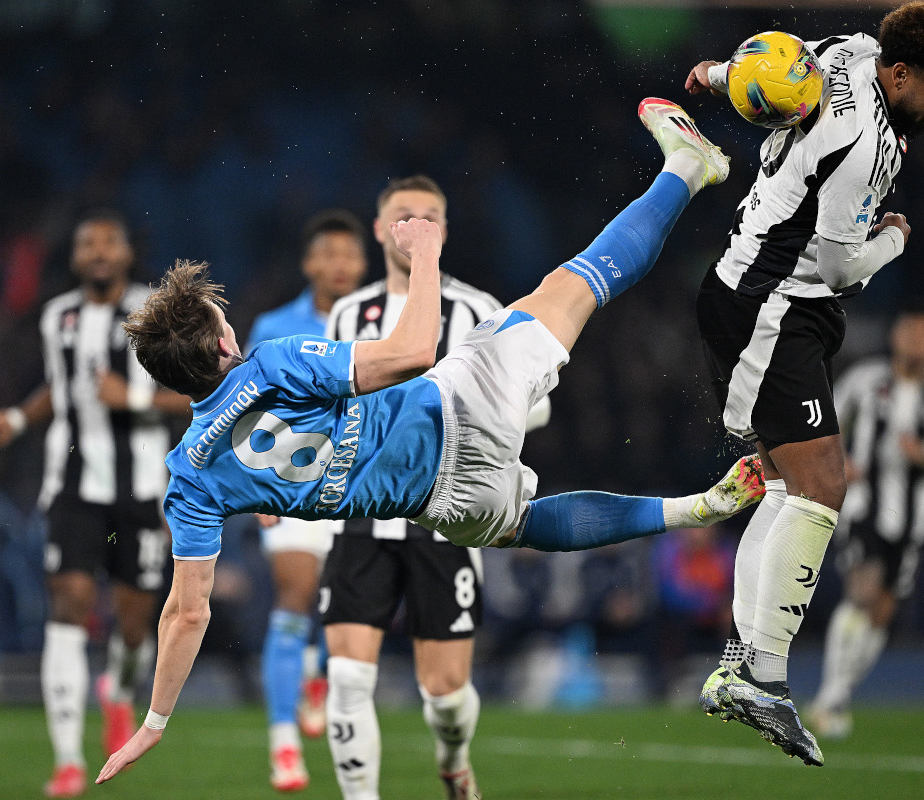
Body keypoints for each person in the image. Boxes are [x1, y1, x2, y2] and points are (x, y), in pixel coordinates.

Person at [96, 97, 764, 787]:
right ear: (222, 341)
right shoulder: (272, 363)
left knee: (523, 525)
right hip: (458, 408)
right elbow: (414, 351)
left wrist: (155, 723)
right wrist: (424, 256)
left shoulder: (189, 476)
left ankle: (691, 511)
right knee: (576, 284)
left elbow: (186, 610)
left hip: (443, 505)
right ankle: (687, 169)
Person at [683, 0, 924, 766]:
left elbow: (772, 70)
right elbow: (847, 264)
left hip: (773, 303)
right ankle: (763, 675)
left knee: (789, 487)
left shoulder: (848, 50)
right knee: (823, 484)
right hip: (772, 305)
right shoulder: (861, 141)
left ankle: (743, 668)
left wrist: (716, 75)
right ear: (902, 72)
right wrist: (893, 237)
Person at [320, 174, 551, 800]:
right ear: (379, 228)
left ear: (443, 232)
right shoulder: (347, 312)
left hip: (445, 515)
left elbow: (535, 406)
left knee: (445, 696)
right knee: (345, 678)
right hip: (361, 513)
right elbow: (328, 405)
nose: (416, 226)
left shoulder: (480, 311)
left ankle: (453, 763)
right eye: (403, 216)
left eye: (429, 216)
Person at [0, 209, 194, 798]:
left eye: (109, 243)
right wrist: (19, 418)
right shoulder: (58, 317)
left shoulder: (159, 312)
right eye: (87, 244)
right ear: (75, 259)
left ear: (127, 254)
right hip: (72, 487)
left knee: (132, 621)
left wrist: (134, 398)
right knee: (70, 601)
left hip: (143, 489)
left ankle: (120, 693)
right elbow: (62, 385)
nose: (98, 252)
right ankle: (68, 761)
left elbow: (200, 392)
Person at [809, 310, 924, 738]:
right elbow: (825, 422)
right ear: (896, 337)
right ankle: (830, 698)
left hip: (913, 515)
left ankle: (836, 696)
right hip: (865, 503)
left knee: (883, 612)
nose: (917, 341)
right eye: (910, 332)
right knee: (863, 592)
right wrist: (840, 461)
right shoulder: (866, 379)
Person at [244, 209, 369, 792]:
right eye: (331, 254)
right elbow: (245, 407)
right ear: (309, 262)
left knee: (338, 599)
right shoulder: (274, 325)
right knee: (295, 594)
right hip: (289, 481)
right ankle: (282, 746)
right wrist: (258, 485)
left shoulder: (376, 321)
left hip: (359, 484)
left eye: (351, 255)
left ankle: (315, 672)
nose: (341, 264)